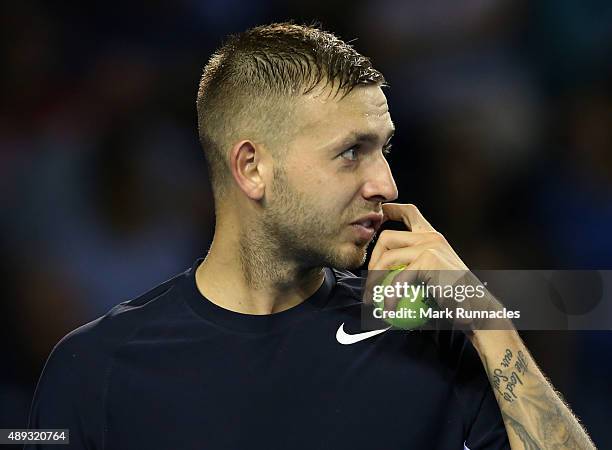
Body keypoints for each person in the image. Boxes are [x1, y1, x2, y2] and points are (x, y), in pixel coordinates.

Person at [26, 23, 594, 449]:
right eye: (352, 152)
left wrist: (487, 320)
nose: (386, 183)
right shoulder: (94, 370)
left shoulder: (426, 341)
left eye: (385, 150)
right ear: (252, 168)